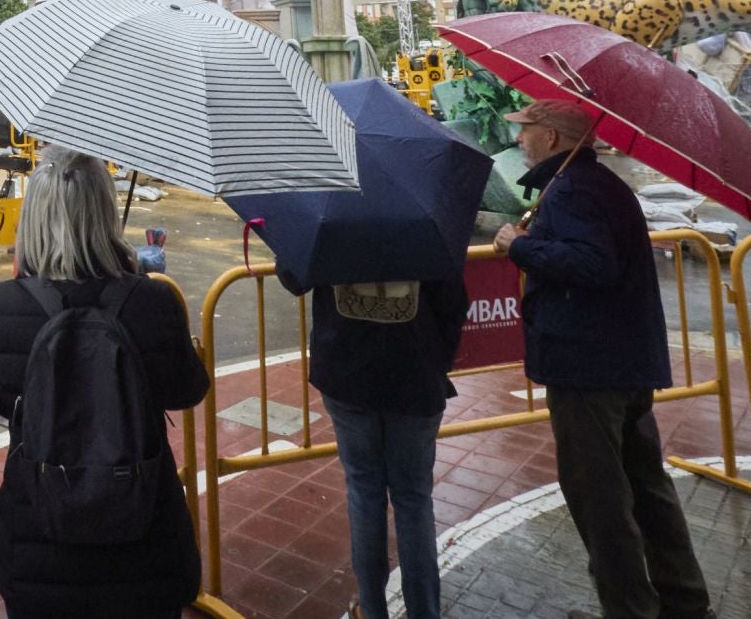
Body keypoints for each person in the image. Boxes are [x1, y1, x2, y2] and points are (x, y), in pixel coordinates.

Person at [494, 100, 716, 619]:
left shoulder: (572, 189)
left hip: (587, 367)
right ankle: (684, 599)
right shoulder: (596, 184)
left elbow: (592, 263)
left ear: (551, 137)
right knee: (645, 483)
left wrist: (519, 247)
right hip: (624, 362)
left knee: (600, 497)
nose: (519, 140)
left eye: (525, 131)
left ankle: (629, 608)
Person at [0, 148, 210, 619]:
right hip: (142, 538)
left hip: (39, 541)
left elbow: (0, 399)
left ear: (34, 218)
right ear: (105, 214)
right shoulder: (152, 301)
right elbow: (188, 389)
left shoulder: (3, 306)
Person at [274, 263, 466, 619]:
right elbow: (453, 301)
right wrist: (437, 362)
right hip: (415, 375)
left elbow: (294, 276)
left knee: (364, 491)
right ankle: (424, 612)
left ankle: (372, 609)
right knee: (413, 500)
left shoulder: (332, 214)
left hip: (347, 374)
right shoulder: (425, 215)